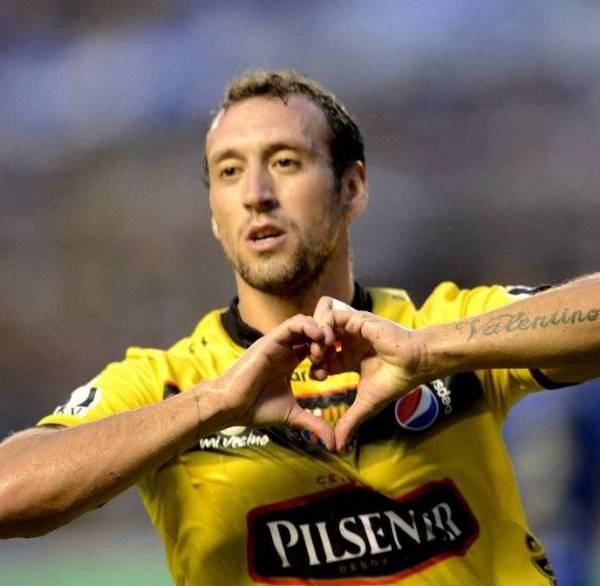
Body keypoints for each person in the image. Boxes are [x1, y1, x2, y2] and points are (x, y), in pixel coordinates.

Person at [1, 69, 599, 585]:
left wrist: (429, 352)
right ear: (214, 216)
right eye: (229, 172)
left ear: (352, 189)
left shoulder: (436, 329)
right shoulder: (172, 383)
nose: (256, 194)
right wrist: (214, 405)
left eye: (285, 162)